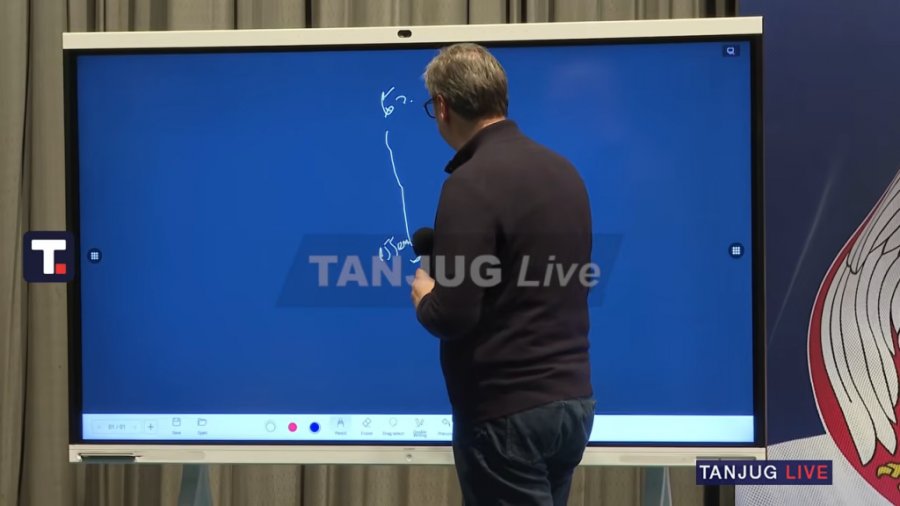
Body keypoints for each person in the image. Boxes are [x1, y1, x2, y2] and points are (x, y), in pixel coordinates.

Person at [410, 43, 596, 506]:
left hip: (505, 414)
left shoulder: (469, 182)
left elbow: (452, 315)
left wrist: (425, 295)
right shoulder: (564, 172)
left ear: (443, 107)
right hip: (572, 407)